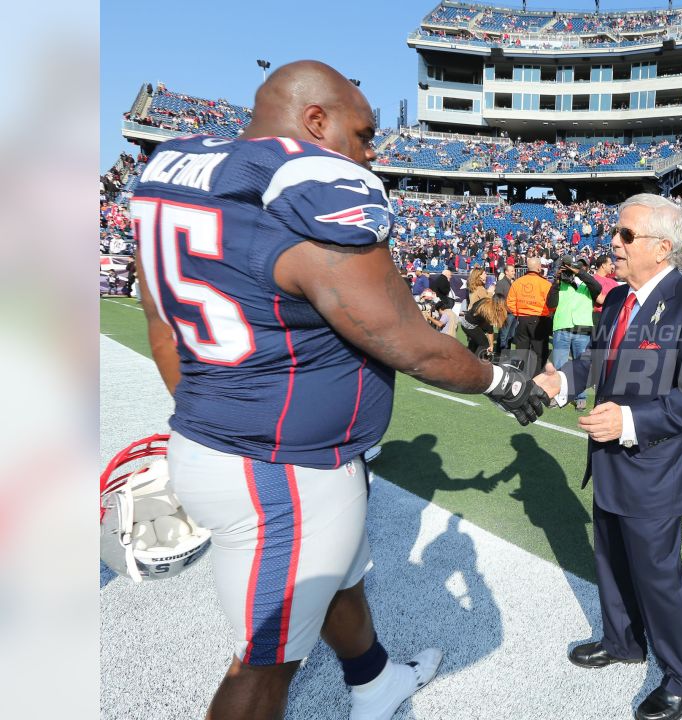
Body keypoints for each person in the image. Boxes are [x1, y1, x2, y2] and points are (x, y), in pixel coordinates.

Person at [131, 61, 547, 720]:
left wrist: (204, 418)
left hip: (246, 446)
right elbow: (406, 340)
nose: (372, 149)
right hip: (283, 469)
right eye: (363, 131)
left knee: (341, 576)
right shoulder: (313, 184)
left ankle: (375, 682)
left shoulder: (174, 167)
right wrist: (503, 382)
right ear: (315, 122)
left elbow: (160, 319)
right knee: (261, 666)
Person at [534, 194, 682, 720]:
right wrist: (559, 382)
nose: (613, 243)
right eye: (616, 233)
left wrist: (630, 422)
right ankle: (623, 642)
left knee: (657, 575)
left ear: (663, 247)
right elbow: (598, 362)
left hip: (654, 468)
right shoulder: (620, 299)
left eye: (625, 235)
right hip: (610, 460)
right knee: (611, 559)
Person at [547, 256, 603, 410]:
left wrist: (578, 272)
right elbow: (550, 303)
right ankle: (558, 394)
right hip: (562, 327)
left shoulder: (588, 285)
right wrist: (557, 281)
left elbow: (598, 288)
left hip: (582, 329)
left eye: (581, 266)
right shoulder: (561, 284)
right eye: (573, 267)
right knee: (559, 365)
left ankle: (580, 397)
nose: (575, 269)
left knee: (581, 366)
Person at [505, 256, 553, 372]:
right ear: (539, 267)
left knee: (521, 351)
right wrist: (547, 313)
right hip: (540, 320)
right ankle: (537, 378)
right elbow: (552, 304)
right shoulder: (545, 284)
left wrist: (519, 313)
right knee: (540, 352)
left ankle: (519, 376)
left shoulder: (517, 282)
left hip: (522, 319)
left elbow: (510, 303)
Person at [458, 293, 507, 359]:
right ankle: (476, 363)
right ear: (498, 303)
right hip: (469, 325)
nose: (503, 306)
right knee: (484, 344)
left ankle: (468, 359)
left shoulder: (486, 301)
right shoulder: (487, 311)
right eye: (502, 304)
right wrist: (491, 345)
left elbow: (474, 306)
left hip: (467, 322)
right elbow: (489, 331)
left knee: (475, 342)